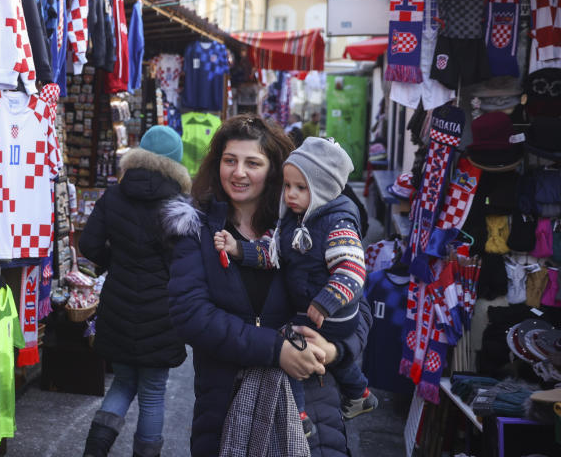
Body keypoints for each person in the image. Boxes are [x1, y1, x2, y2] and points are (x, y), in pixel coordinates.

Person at [164, 114, 371, 456]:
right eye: (230, 160)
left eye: (252, 162)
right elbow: (191, 314)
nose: (239, 172)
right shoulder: (197, 229)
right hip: (226, 401)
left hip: (312, 398)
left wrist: (336, 350)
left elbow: (357, 302)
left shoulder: (308, 225)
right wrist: (276, 350)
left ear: (275, 169)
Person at [215, 137, 378, 438]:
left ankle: (299, 418)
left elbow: (353, 270)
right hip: (316, 309)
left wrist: (325, 302)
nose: (290, 194)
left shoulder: (337, 223)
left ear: (323, 188)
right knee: (319, 354)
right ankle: (360, 394)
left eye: (301, 188)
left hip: (334, 312)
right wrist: (239, 249)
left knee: (290, 345)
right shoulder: (293, 220)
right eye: (287, 186)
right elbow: (271, 252)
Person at [80, 125, 191, 457]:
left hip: (118, 303)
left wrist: (114, 261)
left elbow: (89, 244)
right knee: (154, 393)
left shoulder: (114, 194)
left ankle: (93, 452)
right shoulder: (181, 204)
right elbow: (185, 264)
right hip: (163, 311)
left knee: (122, 383)